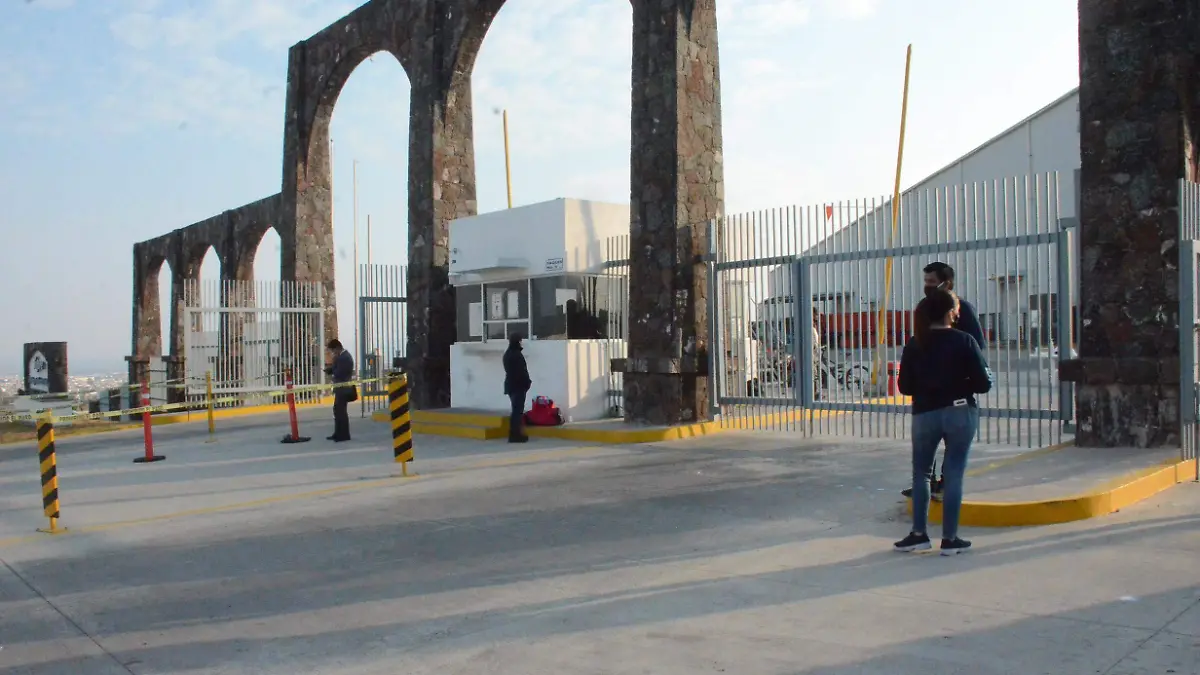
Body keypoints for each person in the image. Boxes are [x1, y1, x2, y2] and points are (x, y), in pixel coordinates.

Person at [893, 289, 993, 555]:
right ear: (952, 312)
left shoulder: (916, 344)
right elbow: (983, 384)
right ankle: (950, 539)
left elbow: (904, 386)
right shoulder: (965, 341)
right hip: (960, 411)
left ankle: (918, 534)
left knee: (921, 474)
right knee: (954, 473)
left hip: (925, 413)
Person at [900, 261, 986, 500]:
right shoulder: (924, 308)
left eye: (931, 282)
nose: (927, 286)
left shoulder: (962, 309)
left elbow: (977, 345)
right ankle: (928, 484)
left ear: (946, 282)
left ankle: (946, 484)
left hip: (954, 391)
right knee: (927, 445)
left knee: (953, 443)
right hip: (927, 393)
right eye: (925, 282)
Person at [503, 333, 531, 443]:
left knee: (516, 411)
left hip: (511, 385)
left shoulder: (508, 354)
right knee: (517, 411)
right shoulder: (516, 354)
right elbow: (521, 372)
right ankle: (516, 435)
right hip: (518, 386)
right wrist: (527, 382)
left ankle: (514, 433)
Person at [324, 339, 354, 442]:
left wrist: (333, 370)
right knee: (337, 410)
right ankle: (337, 433)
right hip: (340, 388)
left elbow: (340, 373)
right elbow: (337, 370)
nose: (332, 353)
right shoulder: (342, 357)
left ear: (337, 348)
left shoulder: (344, 357)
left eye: (332, 351)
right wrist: (330, 369)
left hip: (343, 388)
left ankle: (344, 435)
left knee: (341, 412)